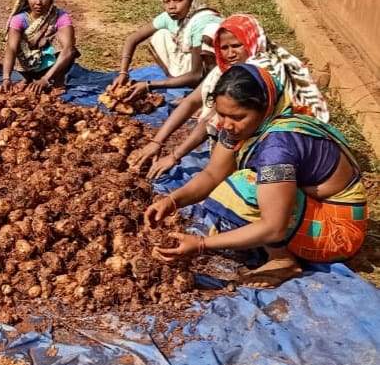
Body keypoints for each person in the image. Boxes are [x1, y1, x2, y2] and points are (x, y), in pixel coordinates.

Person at [144, 64, 366, 287]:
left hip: (336, 232)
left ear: (264, 108)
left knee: (244, 187)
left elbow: (274, 227)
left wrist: (202, 244)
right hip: (306, 209)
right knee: (234, 187)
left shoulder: (278, 146)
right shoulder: (241, 128)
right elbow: (212, 174)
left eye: (237, 117)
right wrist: (172, 201)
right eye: (222, 114)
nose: (226, 124)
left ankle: (282, 260)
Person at [131, 14, 330, 179]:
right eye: (224, 48)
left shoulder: (262, 72)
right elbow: (192, 101)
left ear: (251, 42)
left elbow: (213, 120)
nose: (230, 53)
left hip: (281, 141)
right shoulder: (227, 70)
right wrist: (157, 142)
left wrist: (175, 156)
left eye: (236, 46)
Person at [112, 0, 220, 95]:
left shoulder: (202, 22)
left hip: (210, 74)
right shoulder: (169, 17)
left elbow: (196, 74)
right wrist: (123, 73)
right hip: (188, 65)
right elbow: (132, 39)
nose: (171, 6)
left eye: (178, 0)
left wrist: (149, 85)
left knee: (198, 76)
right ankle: (177, 81)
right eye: (167, 1)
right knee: (160, 35)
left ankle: (199, 90)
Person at [0, 0, 78, 93]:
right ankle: (28, 79)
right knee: (15, 42)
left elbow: (69, 50)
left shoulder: (60, 17)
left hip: (52, 68)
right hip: (26, 66)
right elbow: (11, 48)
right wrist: (6, 78)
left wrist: (45, 79)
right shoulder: (19, 19)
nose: (38, 2)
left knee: (64, 44)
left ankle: (57, 81)